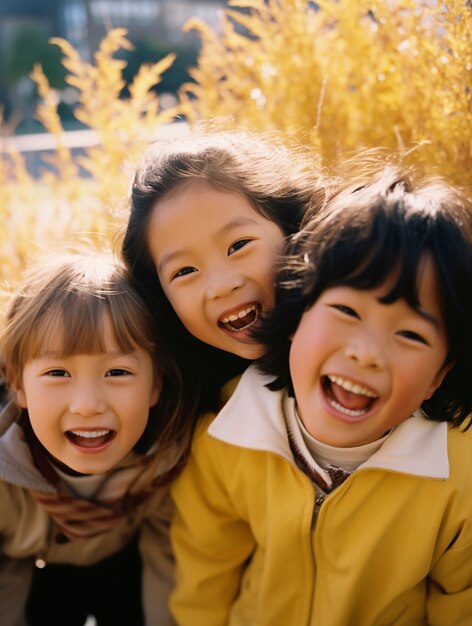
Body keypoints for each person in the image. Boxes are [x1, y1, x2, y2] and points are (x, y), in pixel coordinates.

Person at [169, 162, 472, 626]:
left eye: (410, 335)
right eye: (346, 310)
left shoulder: (459, 478)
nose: (367, 353)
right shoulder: (226, 435)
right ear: (294, 317)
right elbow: (205, 578)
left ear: (438, 375)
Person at [0, 251, 184, 626]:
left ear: (156, 384)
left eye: (117, 371)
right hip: (37, 572)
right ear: (18, 385)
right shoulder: (6, 473)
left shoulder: (167, 460)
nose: (86, 406)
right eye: (57, 373)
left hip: (125, 566)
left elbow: (165, 559)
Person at [121, 129, 326, 422]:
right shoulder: (200, 426)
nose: (220, 286)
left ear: (292, 227)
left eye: (238, 246)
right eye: (185, 271)